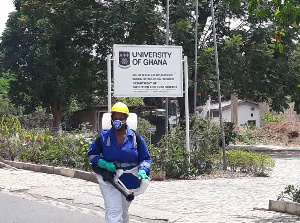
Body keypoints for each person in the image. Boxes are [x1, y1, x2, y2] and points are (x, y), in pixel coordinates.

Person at [87, 102, 151, 223]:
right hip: (109, 178)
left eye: (121, 118)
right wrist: (103, 163)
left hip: (129, 179)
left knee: (124, 211)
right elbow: (91, 155)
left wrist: (143, 170)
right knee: (114, 212)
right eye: (115, 118)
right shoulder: (104, 137)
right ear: (111, 119)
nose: (118, 121)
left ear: (126, 119)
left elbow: (145, 158)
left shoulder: (135, 137)